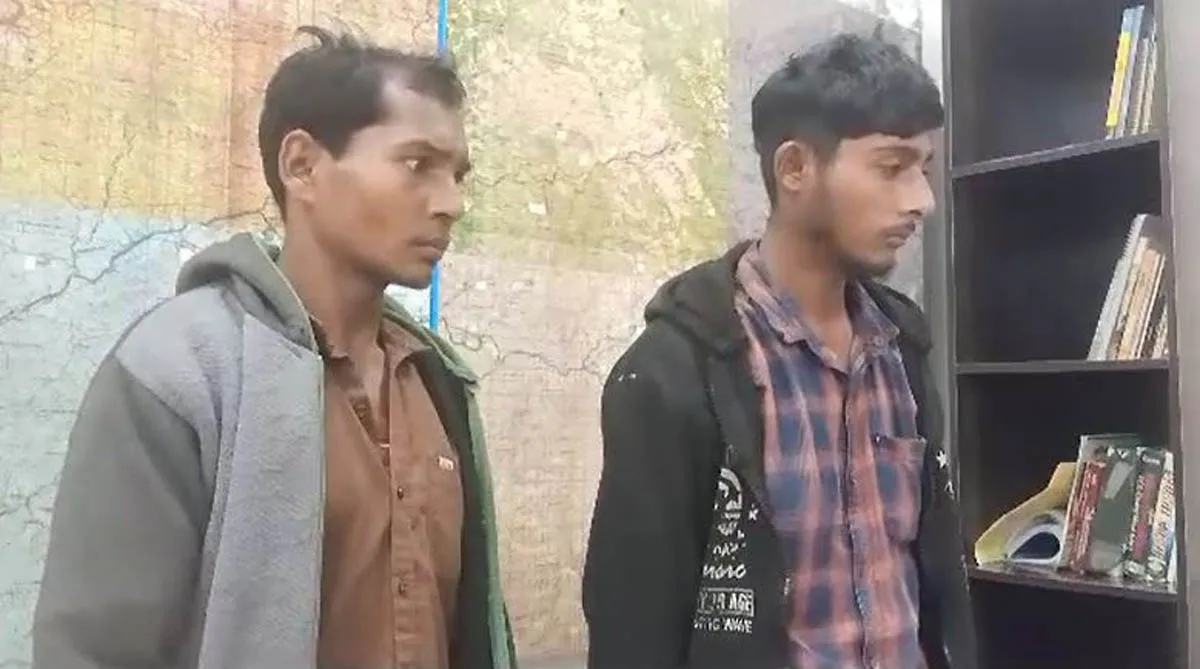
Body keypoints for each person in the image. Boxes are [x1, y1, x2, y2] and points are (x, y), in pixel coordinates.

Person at [32, 26, 515, 669]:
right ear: (302, 166)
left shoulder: (440, 383)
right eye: (416, 165)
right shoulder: (182, 370)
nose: (451, 203)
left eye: (457, 175)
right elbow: (95, 648)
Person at [583, 33, 977, 669]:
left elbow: (932, 587)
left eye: (923, 170)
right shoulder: (675, 370)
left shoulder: (902, 348)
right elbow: (633, 625)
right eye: (891, 167)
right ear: (794, 168)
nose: (921, 201)